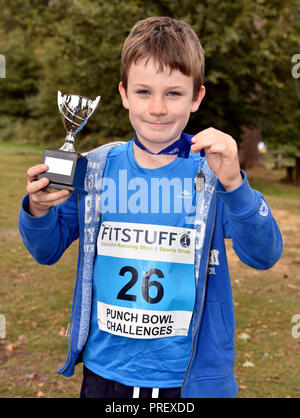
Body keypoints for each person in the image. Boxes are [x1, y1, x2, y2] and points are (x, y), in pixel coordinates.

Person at [19, 16, 282, 398]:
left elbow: (264, 254)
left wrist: (235, 185)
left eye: (174, 93)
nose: (158, 108)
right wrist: (38, 209)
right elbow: (45, 250)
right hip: (106, 373)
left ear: (196, 98)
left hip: (188, 380)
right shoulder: (95, 167)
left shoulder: (213, 173)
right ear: (124, 94)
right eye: (144, 92)